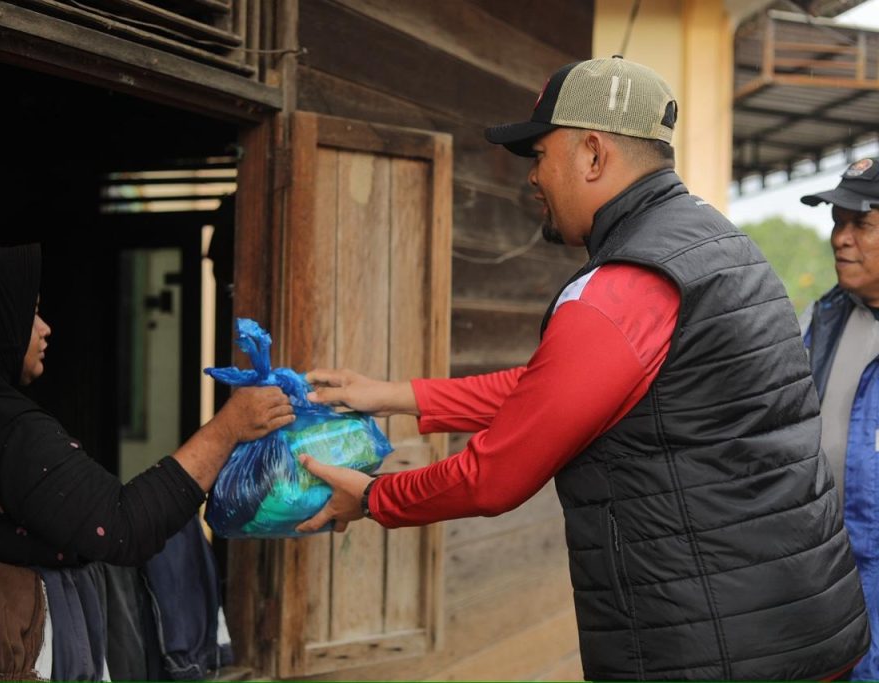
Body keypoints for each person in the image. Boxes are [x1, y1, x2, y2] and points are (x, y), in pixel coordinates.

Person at [294, 56, 869, 680]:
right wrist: (396, 396)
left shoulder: (627, 281)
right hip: (796, 627)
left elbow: (495, 476)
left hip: (711, 646)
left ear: (593, 154)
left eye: (540, 154)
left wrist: (374, 497)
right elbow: (562, 390)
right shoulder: (716, 244)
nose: (532, 177)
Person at [0, 242, 294, 567]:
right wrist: (228, 429)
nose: (45, 329)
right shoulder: (14, 433)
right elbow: (121, 528)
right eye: (31, 313)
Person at [800, 158, 879, 681]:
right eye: (837, 221)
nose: (840, 238)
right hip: (827, 584)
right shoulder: (818, 321)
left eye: (861, 223)